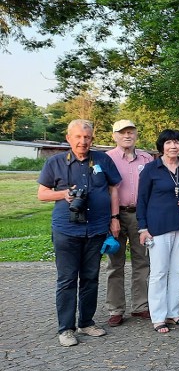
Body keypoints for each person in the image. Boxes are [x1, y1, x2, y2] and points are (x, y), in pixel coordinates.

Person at [38, 120, 122, 347]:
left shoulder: (103, 160)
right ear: (69, 138)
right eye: (78, 137)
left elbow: (114, 188)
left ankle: (86, 322)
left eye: (87, 137)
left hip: (96, 229)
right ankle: (66, 328)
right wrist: (63, 194)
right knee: (66, 280)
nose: (82, 141)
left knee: (90, 278)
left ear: (92, 139)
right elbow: (42, 194)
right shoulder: (55, 162)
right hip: (67, 230)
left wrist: (114, 219)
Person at [137, 129, 179, 335]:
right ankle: (158, 316)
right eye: (169, 143)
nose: (173, 146)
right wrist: (143, 228)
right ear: (161, 146)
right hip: (158, 227)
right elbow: (142, 200)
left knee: (178, 270)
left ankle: (174, 312)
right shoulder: (150, 169)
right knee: (159, 272)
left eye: (177, 142)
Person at [103, 119, 154, 326]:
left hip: (140, 215)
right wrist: (110, 218)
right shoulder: (107, 159)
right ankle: (116, 309)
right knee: (115, 264)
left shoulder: (147, 158)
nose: (127, 136)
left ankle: (140, 306)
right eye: (122, 132)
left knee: (142, 262)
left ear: (136, 134)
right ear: (114, 135)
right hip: (114, 214)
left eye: (131, 132)